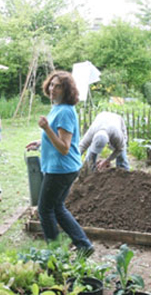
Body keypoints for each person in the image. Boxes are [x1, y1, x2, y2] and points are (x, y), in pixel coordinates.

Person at [25, 71, 93, 256]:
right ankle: (83, 245)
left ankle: (55, 252)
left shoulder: (65, 112)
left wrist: (46, 128)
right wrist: (40, 142)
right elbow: (57, 137)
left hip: (61, 169)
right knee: (57, 207)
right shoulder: (57, 107)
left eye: (58, 86)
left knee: (45, 209)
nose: (53, 89)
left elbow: (64, 147)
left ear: (67, 90)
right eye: (52, 85)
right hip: (60, 167)